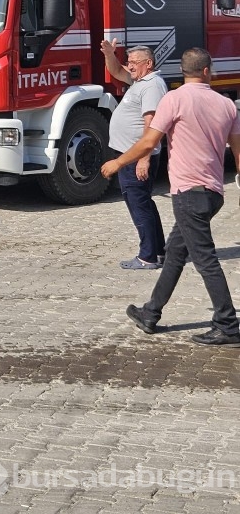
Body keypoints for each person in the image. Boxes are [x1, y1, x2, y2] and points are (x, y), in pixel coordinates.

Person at [101, 47, 240, 347]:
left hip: (189, 193)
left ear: (184, 71)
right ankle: (150, 313)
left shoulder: (173, 99)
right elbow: (239, 155)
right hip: (213, 193)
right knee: (175, 254)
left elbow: (150, 140)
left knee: (205, 260)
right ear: (207, 71)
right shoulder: (227, 104)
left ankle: (228, 324)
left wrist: (118, 161)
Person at [100, 40, 167, 270]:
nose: (129, 67)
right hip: (132, 154)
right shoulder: (140, 80)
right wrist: (110, 54)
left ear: (148, 64)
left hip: (136, 157)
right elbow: (116, 71)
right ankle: (158, 252)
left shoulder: (152, 85)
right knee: (144, 203)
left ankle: (147, 256)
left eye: (134, 63)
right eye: (129, 62)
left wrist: (144, 158)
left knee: (139, 204)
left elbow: (152, 124)